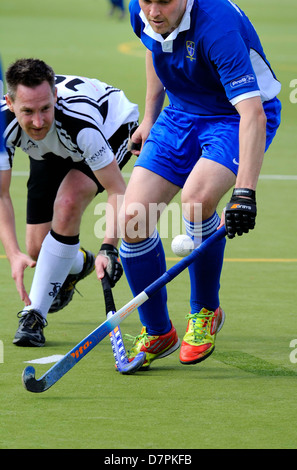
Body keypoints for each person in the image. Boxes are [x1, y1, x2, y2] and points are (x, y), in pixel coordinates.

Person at [119, 0, 282, 369]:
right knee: (132, 220)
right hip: (179, 114)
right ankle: (158, 330)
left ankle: (206, 310)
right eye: (147, 1)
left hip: (234, 115)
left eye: (164, 1)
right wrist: (149, 117)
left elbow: (252, 113)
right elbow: (154, 48)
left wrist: (244, 193)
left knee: (197, 200)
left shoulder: (216, 27)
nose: (154, 11)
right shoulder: (141, 11)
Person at [0, 58, 139, 346]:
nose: (37, 121)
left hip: (111, 129)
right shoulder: (3, 125)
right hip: (50, 148)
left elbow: (117, 189)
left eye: (45, 109)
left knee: (68, 201)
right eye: (27, 111)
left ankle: (34, 316)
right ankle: (79, 263)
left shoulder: (81, 124)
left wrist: (108, 248)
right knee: (38, 249)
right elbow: (1, 193)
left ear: (56, 97)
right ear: (10, 104)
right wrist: (13, 253)